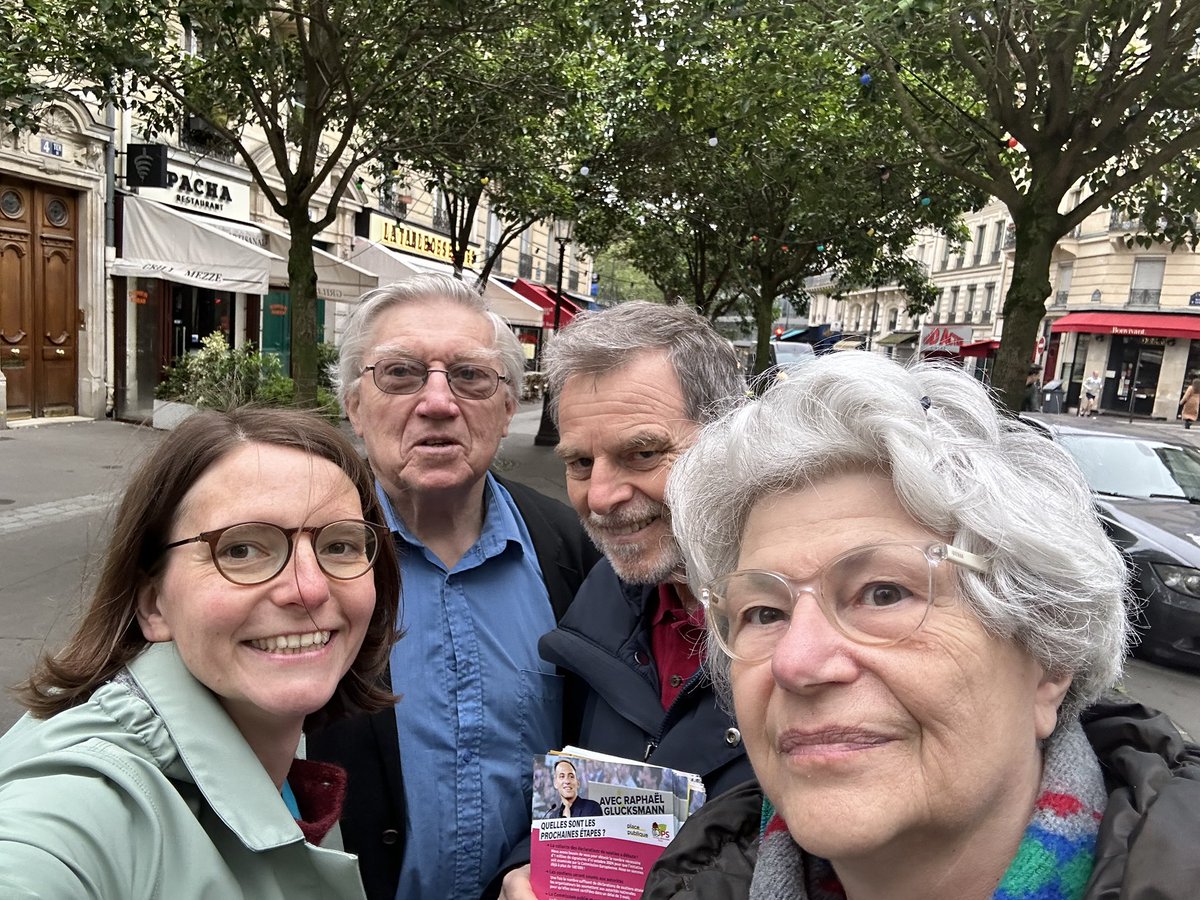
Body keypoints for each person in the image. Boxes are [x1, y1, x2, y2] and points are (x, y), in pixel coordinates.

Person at [644, 352, 1200, 899]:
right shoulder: (694, 879)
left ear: (1049, 656)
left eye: (883, 594)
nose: (796, 662)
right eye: (764, 613)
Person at [0, 408, 401, 899]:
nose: (310, 589)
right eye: (241, 550)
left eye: (339, 544)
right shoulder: (85, 803)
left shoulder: (269, 731)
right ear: (154, 604)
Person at [305, 274, 602, 900]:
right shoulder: (302, 556)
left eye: (469, 376)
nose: (438, 402)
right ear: (353, 404)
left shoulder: (572, 550)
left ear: (507, 406)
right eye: (401, 374)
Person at [499, 302, 755, 898]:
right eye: (581, 463)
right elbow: (580, 786)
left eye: (643, 453)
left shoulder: (821, 624)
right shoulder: (607, 592)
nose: (603, 496)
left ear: (731, 437)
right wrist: (526, 872)